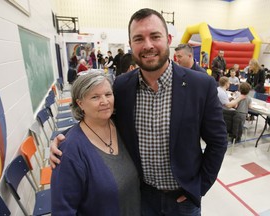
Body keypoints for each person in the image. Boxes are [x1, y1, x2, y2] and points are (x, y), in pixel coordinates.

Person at [50, 8, 227, 216]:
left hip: (183, 200)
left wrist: (200, 186)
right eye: (139, 38)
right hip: (140, 197)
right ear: (131, 44)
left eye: (155, 36)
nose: (148, 45)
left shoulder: (200, 85)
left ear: (168, 39)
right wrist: (66, 140)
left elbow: (218, 141)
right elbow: (102, 116)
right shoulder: (123, 86)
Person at [51, 71, 141, 215]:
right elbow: (63, 209)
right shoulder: (70, 151)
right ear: (80, 103)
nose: (105, 102)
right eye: (95, 97)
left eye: (108, 94)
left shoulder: (123, 126)